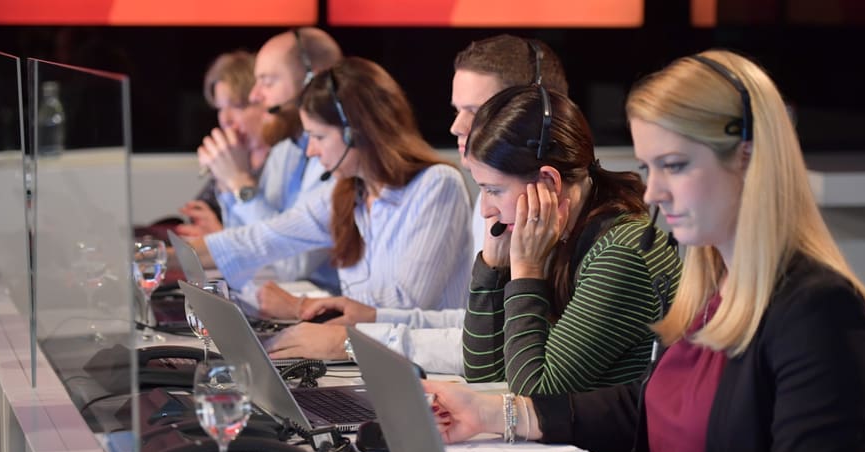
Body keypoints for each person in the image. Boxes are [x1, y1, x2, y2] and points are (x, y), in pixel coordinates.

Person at [423, 50, 865, 452]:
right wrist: (496, 412)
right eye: (649, 167)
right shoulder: (714, 285)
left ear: (750, 159)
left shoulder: (819, 309)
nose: (653, 193)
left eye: (675, 166)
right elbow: (644, 406)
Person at [267, 35, 573, 368]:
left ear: (530, 114)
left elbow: (511, 357)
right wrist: (371, 318)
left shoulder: (573, 227)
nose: (457, 126)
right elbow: (474, 325)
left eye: (477, 111)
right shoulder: (491, 202)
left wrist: (355, 342)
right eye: (457, 110)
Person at [192, 57, 473, 339]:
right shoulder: (348, 191)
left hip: (429, 369)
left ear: (356, 133)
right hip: (366, 354)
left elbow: (402, 305)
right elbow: (265, 237)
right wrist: (167, 258)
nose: (312, 151)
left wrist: (298, 307)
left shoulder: (436, 186)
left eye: (319, 137)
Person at [460, 85, 680, 395]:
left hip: (613, 444)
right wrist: (492, 269)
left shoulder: (621, 252)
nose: (485, 210)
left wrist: (526, 270)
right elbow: (486, 379)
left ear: (548, 181)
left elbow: (535, 396)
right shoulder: (558, 233)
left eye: (493, 190)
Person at [188, 28, 342, 292]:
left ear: (312, 82)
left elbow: (292, 265)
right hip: (286, 299)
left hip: (325, 307)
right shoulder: (287, 148)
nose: (255, 95)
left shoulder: (337, 154)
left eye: (268, 82)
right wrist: (228, 182)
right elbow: (248, 253)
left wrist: (240, 182)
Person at [175, 50, 268, 236]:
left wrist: (220, 234)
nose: (225, 119)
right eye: (220, 108)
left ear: (264, 102)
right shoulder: (237, 155)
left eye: (237, 106)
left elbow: (272, 240)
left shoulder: (283, 159)